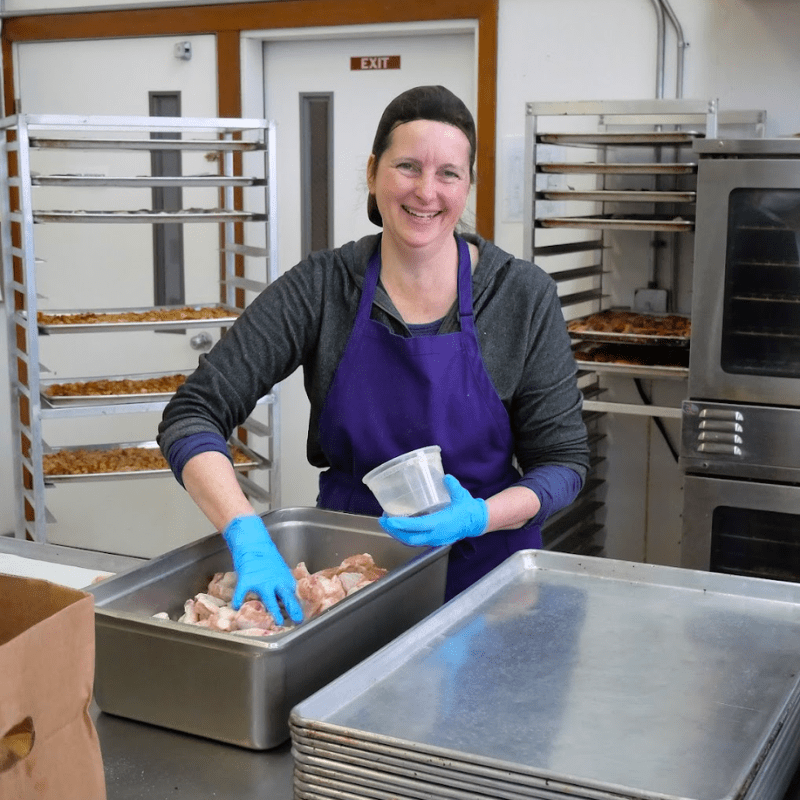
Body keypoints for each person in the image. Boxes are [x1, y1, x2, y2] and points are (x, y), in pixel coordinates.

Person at [157, 85, 589, 626]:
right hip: (352, 582)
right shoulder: (321, 287)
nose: (426, 192)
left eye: (448, 174)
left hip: (491, 587)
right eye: (407, 166)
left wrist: (478, 515)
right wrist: (246, 533)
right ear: (373, 172)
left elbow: (564, 464)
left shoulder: (522, 296)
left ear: (467, 185)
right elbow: (192, 413)